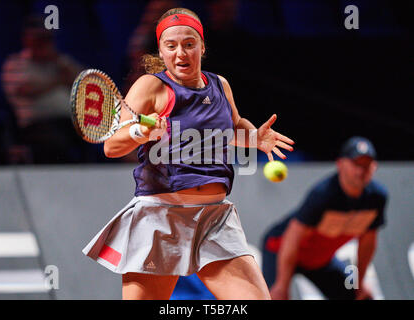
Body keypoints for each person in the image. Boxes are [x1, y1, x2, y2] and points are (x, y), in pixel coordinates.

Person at [82, 7, 294, 300]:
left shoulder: (220, 85)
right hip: (160, 220)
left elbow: (232, 127)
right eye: (171, 46)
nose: (180, 53)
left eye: (189, 44)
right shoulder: (151, 87)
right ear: (161, 50)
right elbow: (111, 145)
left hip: (215, 219)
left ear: (202, 47)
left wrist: (254, 137)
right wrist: (140, 133)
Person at [262, 136, 388, 300]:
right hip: (280, 250)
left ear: (374, 167)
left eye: (366, 165)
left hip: (319, 261)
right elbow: (292, 238)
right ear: (340, 164)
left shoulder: (377, 198)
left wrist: (360, 282)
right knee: (276, 297)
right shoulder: (324, 195)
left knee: (362, 297)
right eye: (356, 164)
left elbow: (367, 244)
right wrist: (281, 285)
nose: (361, 170)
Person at [1, 16, 84, 164]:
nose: (43, 43)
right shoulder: (16, 63)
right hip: (36, 123)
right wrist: (58, 81)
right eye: (39, 39)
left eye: (47, 39)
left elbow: (87, 82)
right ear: (27, 39)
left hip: (71, 121)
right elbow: (25, 90)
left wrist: (59, 62)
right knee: (57, 142)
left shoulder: (60, 61)